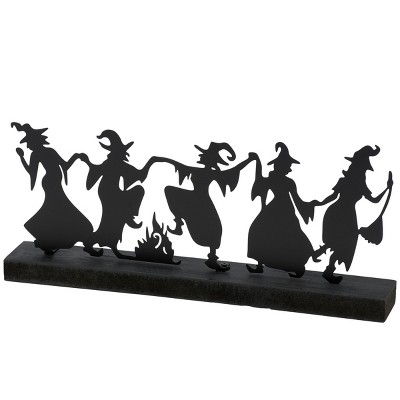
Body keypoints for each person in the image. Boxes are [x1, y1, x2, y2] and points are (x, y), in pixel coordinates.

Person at [154, 142, 257, 271]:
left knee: (215, 227)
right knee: (214, 226)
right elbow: (175, 164)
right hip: (198, 200)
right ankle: (179, 225)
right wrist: (158, 159)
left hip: (201, 200)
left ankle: (211, 257)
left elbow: (233, 171)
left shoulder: (208, 173)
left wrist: (248, 160)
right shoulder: (202, 171)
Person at [12, 122, 101, 256]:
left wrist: (76, 156)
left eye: (28, 143)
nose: (28, 146)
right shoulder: (40, 153)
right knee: (59, 208)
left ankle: (48, 237)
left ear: (34, 141)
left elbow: (64, 165)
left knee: (56, 209)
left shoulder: (47, 152)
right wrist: (21, 157)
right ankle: (51, 237)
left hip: (53, 183)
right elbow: (32, 172)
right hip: (50, 183)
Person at [313, 145, 393, 283]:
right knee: (344, 240)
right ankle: (326, 266)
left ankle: (321, 258)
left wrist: (387, 188)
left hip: (345, 213)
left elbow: (374, 200)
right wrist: (318, 203)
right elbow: (333, 197)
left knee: (343, 240)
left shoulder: (359, 184)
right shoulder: (349, 182)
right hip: (339, 213)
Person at [79, 130, 156, 259]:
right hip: (109, 193)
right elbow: (140, 175)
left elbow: (137, 175)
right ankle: (129, 216)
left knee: (110, 217)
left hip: (108, 192)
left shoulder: (114, 163)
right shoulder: (115, 163)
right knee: (137, 191)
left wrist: (88, 162)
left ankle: (96, 240)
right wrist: (151, 161)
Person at [247, 142, 316, 277]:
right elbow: (260, 180)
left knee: (289, 235)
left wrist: (309, 205)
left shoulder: (289, 182)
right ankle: (261, 264)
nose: (290, 169)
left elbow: (297, 200)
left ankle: (294, 260)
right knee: (259, 231)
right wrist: (257, 161)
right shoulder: (274, 179)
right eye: (288, 166)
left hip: (284, 211)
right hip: (275, 210)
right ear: (281, 166)